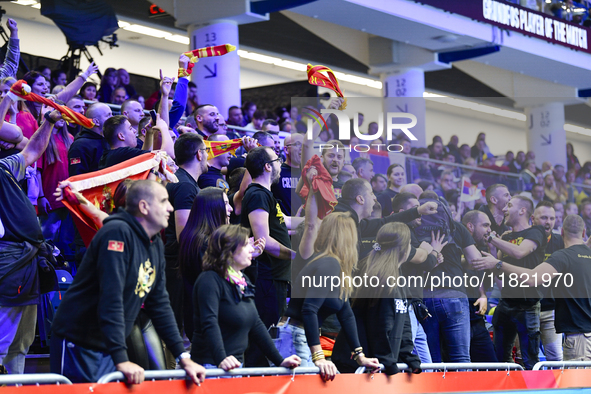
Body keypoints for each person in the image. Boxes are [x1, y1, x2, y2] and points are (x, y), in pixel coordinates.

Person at [50, 180, 206, 383]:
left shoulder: (154, 242)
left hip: (107, 344)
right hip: (79, 341)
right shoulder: (117, 233)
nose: (171, 207)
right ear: (144, 206)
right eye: (164, 201)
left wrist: (183, 356)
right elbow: (111, 297)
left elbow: (159, 303)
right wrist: (121, 358)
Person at [0, 94, 62, 373]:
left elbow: (32, 151)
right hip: (6, 262)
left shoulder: (4, 167)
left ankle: (16, 386)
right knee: (2, 343)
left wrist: (48, 120)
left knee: (21, 342)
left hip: (27, 261)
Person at [473, 214, 591, 361]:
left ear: (561, 233)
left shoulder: (563, 257)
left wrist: (497, 264)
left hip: (579, 338)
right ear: (584, 232)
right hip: (582, 335)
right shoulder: (586, 254)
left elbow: (531, 278)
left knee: (579, 384)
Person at [285, 212, 380, 380]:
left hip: (300, 335)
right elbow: (309, 309)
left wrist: (360, 355)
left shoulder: (335, 266)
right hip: (296, 335)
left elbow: (346, 314)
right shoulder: (329, 264)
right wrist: (318, 357)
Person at [191, 224, 300, 370]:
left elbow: (256, 324)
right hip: (210, 366)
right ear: (229, 251)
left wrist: (279, 360)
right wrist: (221, 358)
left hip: (235, 365)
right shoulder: (209, 280)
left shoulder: (242, 279)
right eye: (245, 245)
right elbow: (209, 322)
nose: (251, 248)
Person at [332, 222, 422, 375]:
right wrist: (388, 362)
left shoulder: (398, 280)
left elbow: (404, 324)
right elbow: (380, 327)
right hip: (358, 365)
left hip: (376, 362)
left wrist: (408, 357)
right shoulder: (381, 280)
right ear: (403, 248)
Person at [486, 196, 547, 369]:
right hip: (505, 302)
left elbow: (520, 252)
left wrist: (492, 239)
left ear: (522, 211)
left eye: (509, 205)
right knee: (500, 360)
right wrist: (493, 247)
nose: (504, 209)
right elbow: (496, 267)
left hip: (527, 305)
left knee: (529, 361)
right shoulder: (505, 236)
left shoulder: (536, 232)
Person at [164, 133, 209, 333]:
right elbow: (186, 236)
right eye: (207, 151)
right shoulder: (184, 186)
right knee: (180, 330)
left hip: (179, 267)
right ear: (199, 154)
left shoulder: (185, 182)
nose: (209, 156)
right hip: (179, 269)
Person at [178, 187, 233, 340]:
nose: (231, 209)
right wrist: (240, 258)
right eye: (226, 204)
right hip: (208, 322)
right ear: (213, 208)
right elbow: (219, 280)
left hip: (201, 318)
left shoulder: (196, 237)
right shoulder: (204, 244)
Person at [461, 211, 498, 362]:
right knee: (460, 368)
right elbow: (470, 265)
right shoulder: (457, 246)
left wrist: (493, 250)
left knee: (492, 367)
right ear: (470, 226)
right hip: (460, 319)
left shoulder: (482, 251)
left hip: (477, 319)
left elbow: (494, 281)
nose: (489, 230)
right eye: (485, 225)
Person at [532, 201, 564, 361]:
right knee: (527, 359)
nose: (548, 222)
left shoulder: (560, 241)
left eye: (552, 218)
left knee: (556, 358)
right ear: (533, 219)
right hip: (527, 310)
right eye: (544, 217)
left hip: (551, 311)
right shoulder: (524, 240)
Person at [67, 103, 112, 176]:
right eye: (108, 115)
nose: (112, 118)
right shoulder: (80, 145)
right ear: (96, 122)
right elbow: (77, 177)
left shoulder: (110, 140)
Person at [271, 132, 303, 216]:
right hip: (283, 226)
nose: (302, 148)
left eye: (304, 145)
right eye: (298, 144)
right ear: (286, 149)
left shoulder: (308, 174)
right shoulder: (276, 172)